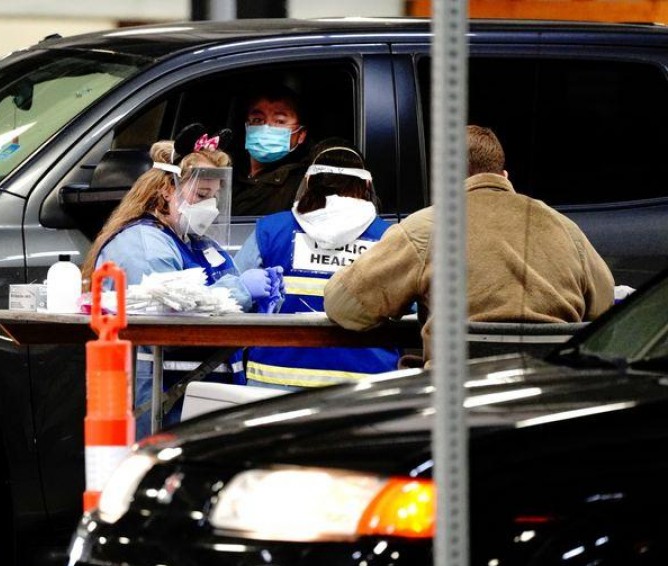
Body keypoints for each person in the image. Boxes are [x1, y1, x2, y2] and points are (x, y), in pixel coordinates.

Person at [324, 125, 615, 365]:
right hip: (545, 401)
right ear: (504, 176)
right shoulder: (564, 228)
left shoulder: (428, 227)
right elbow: (606, 309)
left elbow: (344, 305)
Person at [81, 123, 282, 437]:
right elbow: (168, 320)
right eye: (202, 195)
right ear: (167, 189)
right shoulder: (144, 245)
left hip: (204, 408)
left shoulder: (200, 245)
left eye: (215, 197)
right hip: (161, 413)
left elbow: (225, 306)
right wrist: (241, 289)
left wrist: (260, 301)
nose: (211, 208)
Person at [235, 144, 401, 389]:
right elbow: (413, 308)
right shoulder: (390, 238)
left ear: (309, 181)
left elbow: (230, 298)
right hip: (365, 389)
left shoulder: (271, 230)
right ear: (366, 185)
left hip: (274, 386)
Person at [232, 83, 310, 216]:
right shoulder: (227, 170)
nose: (266, 127)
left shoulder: (303, 184)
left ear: (301, 134)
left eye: (280, 121)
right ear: (246, 126)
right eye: (257, 120)